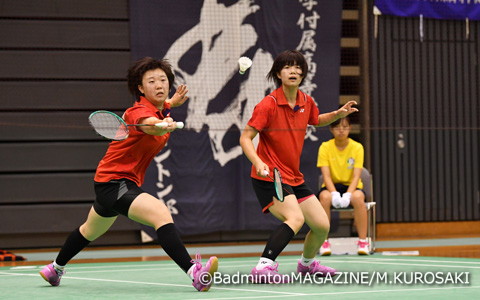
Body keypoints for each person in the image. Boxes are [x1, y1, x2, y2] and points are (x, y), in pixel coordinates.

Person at [39, 57, 218, 292]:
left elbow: (158, 113)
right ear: (141, 88)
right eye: (151, 81)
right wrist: (162, 125)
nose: (159, 85)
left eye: (163, 80)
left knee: (89, 230)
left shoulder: (158, 110)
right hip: (116, 183)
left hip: (108, 183)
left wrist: (169, 105)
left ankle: (54, 269)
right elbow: (147, 124)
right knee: (160, 213)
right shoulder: (137, 112)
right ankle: (195, 273)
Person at [239, 50, 358, 283]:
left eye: (297, 67)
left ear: (303, 73)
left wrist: (337, 114)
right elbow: (245, 138)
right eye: (287, 67)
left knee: (322, 225)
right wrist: (258, 161)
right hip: (269, 176)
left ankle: (306, 265)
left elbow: (315, 119)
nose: (293, 71)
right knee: (295, 218)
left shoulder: (306, 101)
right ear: (278, 73)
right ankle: (263, 266)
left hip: (293, 176)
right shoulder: (268, 104)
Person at [317, 116, 369, 255]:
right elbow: (326, 176)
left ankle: (363, 242)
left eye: (345, 127)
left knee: (358, 198)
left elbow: (356, 176)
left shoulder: (357, 147)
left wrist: (348, 194)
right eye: (337, 127)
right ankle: (324, 242)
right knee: (325, 197)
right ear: (331, 129)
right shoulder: (325, 147)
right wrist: (334, 193)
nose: (341, 130)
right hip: (331, 186)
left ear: (350, 128)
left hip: (351, 186)